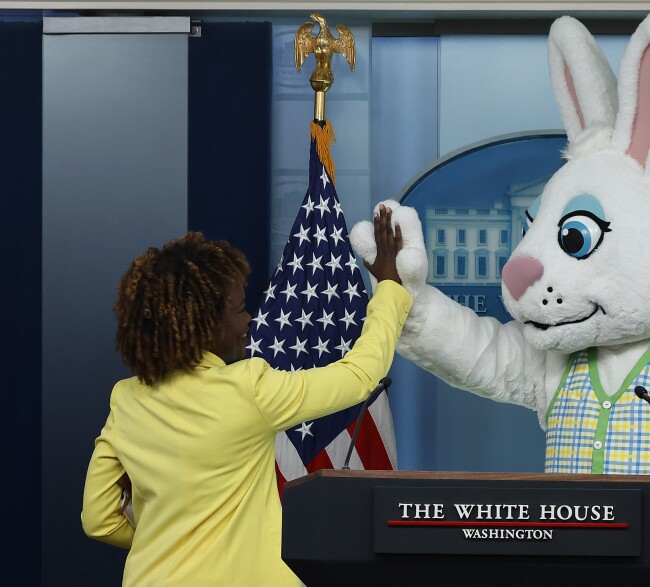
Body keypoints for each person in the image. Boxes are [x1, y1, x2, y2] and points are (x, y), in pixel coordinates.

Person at [82, 206, 409, 586]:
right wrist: (390, 287)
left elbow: (99, 519)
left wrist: (164, 541)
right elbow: (359, 374)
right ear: (206, 327)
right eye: (239, 310)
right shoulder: (249, 388)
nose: (249, 320)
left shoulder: (126, 399)